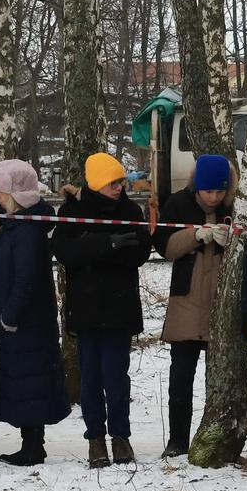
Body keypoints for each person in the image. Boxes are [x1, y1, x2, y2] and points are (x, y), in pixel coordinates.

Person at [52, 153, 154, 468]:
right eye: (112, 182)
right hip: (86, 308)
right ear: (96, 181)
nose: (118, 187)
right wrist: (105, 245)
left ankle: (120, 436)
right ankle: (95, 438)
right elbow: (64, 251)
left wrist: (96, 249)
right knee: (91, 378)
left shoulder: (130, 209)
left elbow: (139, 252)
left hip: (120, 306)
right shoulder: (74, 209)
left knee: (116, 377)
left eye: (121, 181)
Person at [0, 159, 68, 466]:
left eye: (2, 192)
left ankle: (33, 446)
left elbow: (26, 279)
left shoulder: (27, 231)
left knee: (30, 382)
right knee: (25, 380)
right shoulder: (16, 225)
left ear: (17, 194)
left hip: (26, 323)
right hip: (22, 322)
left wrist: (10, 316)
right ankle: (31, 443)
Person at [157, 154, 235, 458]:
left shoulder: (233, 207)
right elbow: (165, 247)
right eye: (207, 192)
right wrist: (195, 235)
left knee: (221, 379)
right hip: (186, 303)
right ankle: (177, 440)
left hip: (221, 303)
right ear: (196, 187)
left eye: (219, 192)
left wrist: (234, 239)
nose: (213, 198)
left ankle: (218, 436)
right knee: (180, 379)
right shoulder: (177, 204)